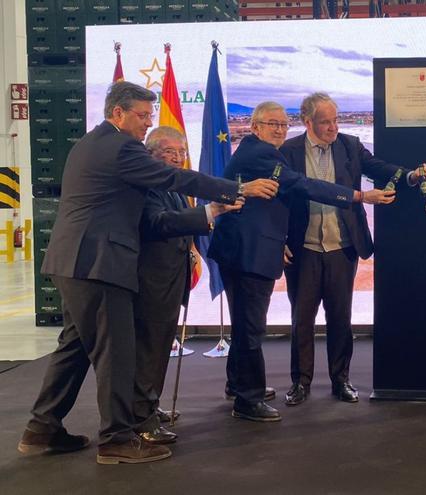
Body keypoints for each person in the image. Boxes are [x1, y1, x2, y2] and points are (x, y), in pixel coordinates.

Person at [18, 81, 277, 464]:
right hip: (99, 264)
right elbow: (176, 178)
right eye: (142, 115)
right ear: (118, 113)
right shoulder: (122, 147)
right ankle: (117, 440)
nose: (147, 123)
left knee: (74, 349)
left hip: (74, 261)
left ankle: (42, 428)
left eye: (150, 115)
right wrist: (235, 189)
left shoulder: (89, 144)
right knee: (117, 355)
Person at [208, 101, 395, 422]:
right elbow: (303, 186)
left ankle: (240, 384)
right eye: (272, 124)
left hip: (265, 248)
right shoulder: (263, 154)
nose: (280, 129)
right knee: (252, 327)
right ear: (255, 128)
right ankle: (249, 399)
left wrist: (405, 176)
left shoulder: (265, 151)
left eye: (282, 123)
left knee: (249, 325)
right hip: (251, 251)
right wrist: (361, 196)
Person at [279, 92, 426, 405]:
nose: (334, 126)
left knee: (340, 318)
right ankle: (301, 383)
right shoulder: (289, 151)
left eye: (335, 119)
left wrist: (411, 176)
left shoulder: (349, 145)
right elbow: (279, 200)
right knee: (301, 320)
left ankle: (340, 380)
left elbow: (379, 168)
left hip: (342, 246)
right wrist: (279, 240)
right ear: (307, 122)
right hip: (302, 248)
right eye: (325, 122)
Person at [131, 126, 240, 445]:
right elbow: (156, 223)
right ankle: (141, 419)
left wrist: (191, 250)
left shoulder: (174, 184)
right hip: (151, 277)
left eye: (181, 151)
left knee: (161, 346)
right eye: (169, 152)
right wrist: (212, 210)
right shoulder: (148, 184)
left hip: (172, 273)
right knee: (148, 348)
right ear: (151, 154)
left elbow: (181, 220)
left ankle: (150, 406)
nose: (178, 157)